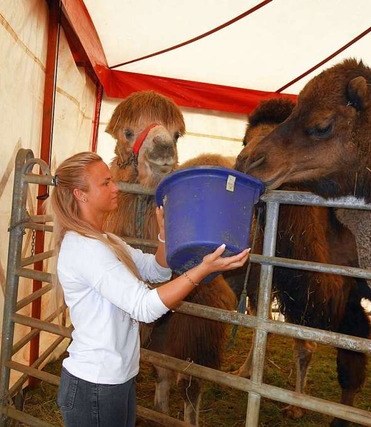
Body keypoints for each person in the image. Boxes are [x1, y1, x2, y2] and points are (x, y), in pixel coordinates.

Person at [50, 151, 250, 427]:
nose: (116, 187)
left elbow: (156, 269)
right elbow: (144, 307)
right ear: (80, 194)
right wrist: (201, 269)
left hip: (117, 377)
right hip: (95, 384)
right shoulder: (86, 249)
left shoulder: (107, 240)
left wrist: (164, 236)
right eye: (105, 183)